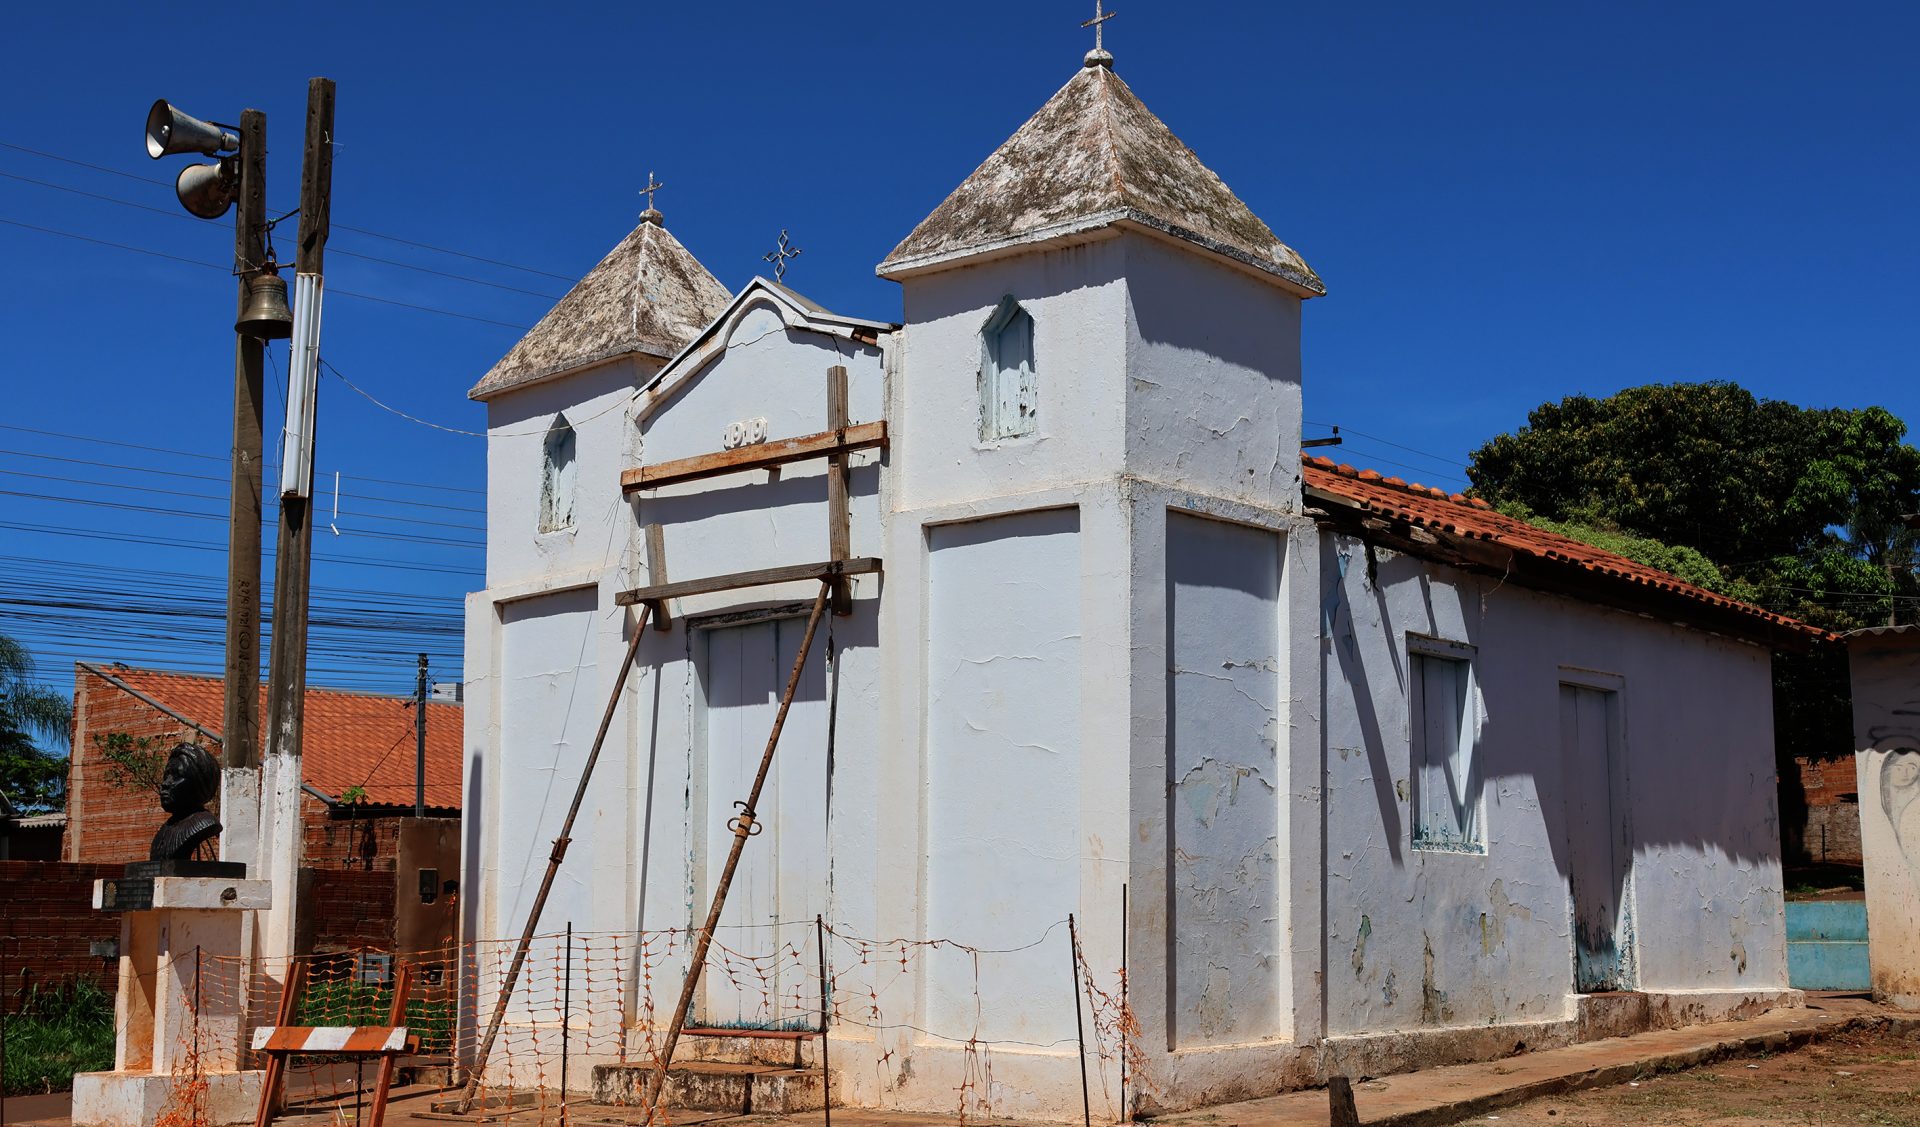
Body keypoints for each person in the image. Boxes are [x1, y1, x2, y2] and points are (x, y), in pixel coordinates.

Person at [151, 741, 223, 861]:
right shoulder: (166, 828)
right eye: (166, 776)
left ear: (197, 783)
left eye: (176, 776)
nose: (165, 784)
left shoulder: (205, 823)